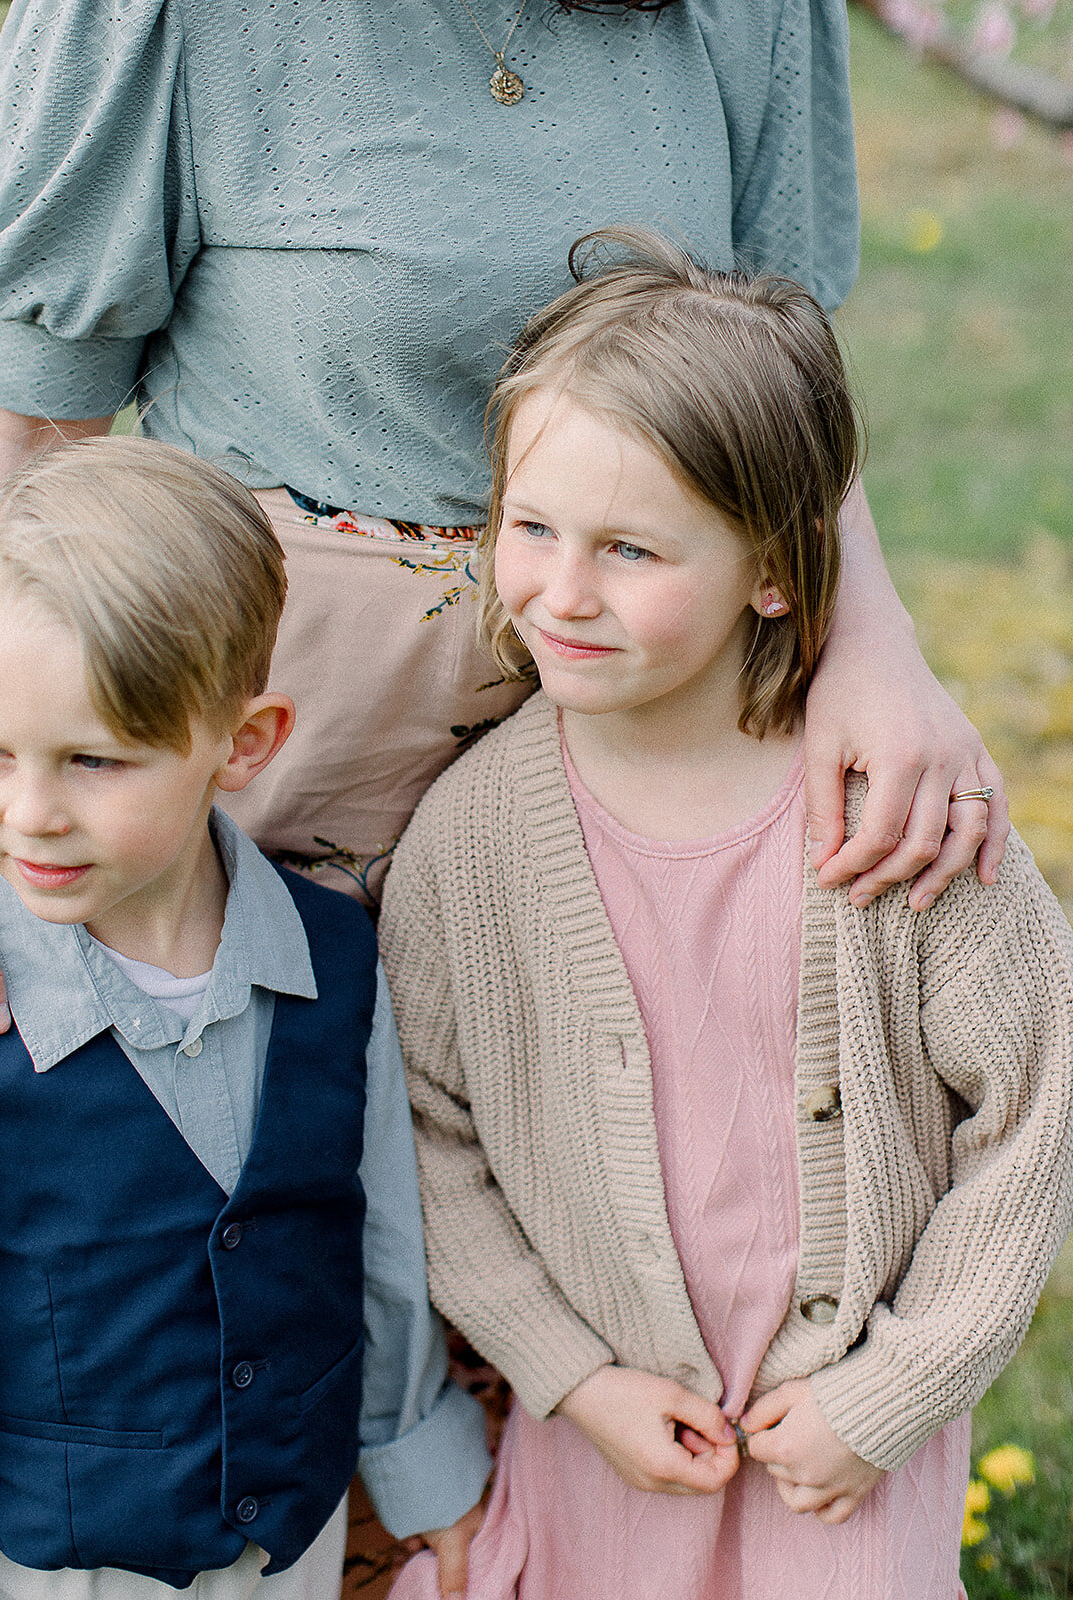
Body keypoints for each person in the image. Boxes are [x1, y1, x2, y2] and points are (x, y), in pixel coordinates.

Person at [0, 0, 1008, 1150]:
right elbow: (29, 422)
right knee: (288, 1246)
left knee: (609, 1223)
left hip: (643, 737)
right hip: (292, 761)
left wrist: (867, 639)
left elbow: (771, 372)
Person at [377, 233, 1073, 1600]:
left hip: (846, 1453)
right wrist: (569, 1377)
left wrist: (893, 1394)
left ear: (775, 569)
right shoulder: (468, 842)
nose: (561, 593)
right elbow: (422, 1132)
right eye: (531, 528)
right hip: (611, 1446)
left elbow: (1036, 1111)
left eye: (631, 549)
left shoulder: (901, 821)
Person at [0, 439, 490, 1600]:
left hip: (294, 1548)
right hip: (55, 1574)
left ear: (242, 744)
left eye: (93, 760)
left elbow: (377, 1244)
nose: (31, 814)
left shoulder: (338, 960)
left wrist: (420, 1472)